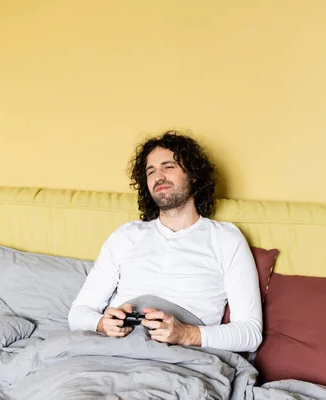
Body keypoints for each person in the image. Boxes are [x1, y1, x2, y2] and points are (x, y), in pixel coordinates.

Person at [68, 130, 262, 352]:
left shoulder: (226, 239)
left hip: (180, 356)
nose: (158, 176)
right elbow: (78, 312)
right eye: (151, 171)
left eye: (168, 167)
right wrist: (102, 324)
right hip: (114, 348)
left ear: (193, 175)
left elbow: (250, 333)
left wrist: (185, 334)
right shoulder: (126, 236)